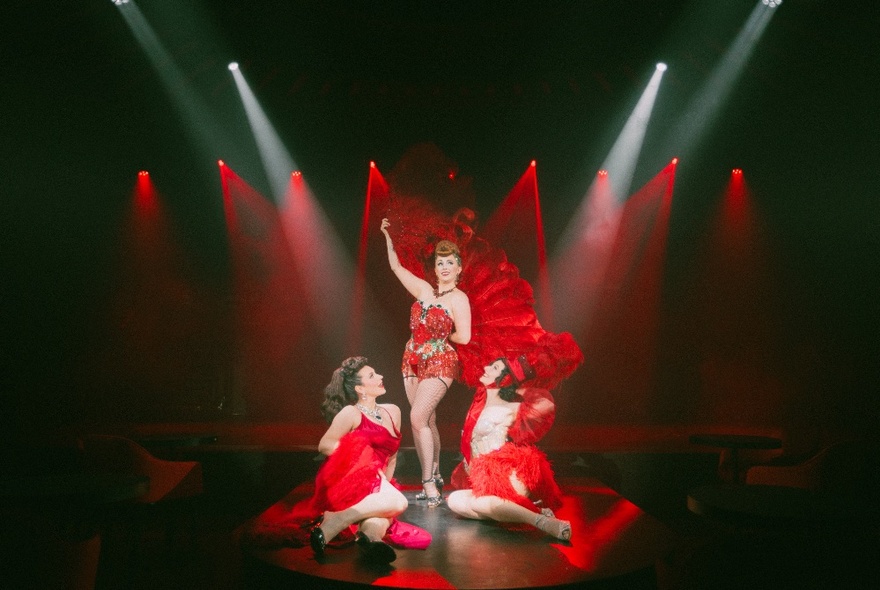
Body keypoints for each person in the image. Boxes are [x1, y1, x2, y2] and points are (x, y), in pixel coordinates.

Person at [244, 356, 430, 564]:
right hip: (351, 479)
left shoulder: (393, 411)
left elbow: (392, 456)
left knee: (381, 515)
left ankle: (371, 540)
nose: (380, 376)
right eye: (372, 375)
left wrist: (384, 485)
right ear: (360, 389)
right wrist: (362, 460)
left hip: (378, 482)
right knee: (399, 502)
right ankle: (337, 520)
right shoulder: (350, 413)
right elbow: (325, 444)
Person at [381, 217, 471, 507]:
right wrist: (388, 236)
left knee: (417, 418)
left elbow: (465, 337)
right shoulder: (422, 289)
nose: (443, 268)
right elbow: (395, 268)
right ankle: (435, 474)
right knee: (427, 419)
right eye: (439, 263)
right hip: (411, 360)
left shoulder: (459, 299)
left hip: (441, 361)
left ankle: (429, 483)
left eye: (449, 263)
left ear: (459, 268)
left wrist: (439, 338)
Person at [447, 349, 576, 541]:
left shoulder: (511, 408)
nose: (486, 368)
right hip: (482, 477)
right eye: (490, 365)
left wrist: (516, 386)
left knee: (483, 504)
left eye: (495, 367)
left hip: (506, 471)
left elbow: (546, 405)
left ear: (505, 377)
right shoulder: (477, 407)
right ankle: (527, 509)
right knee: (454, 501)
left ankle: (543, 522)